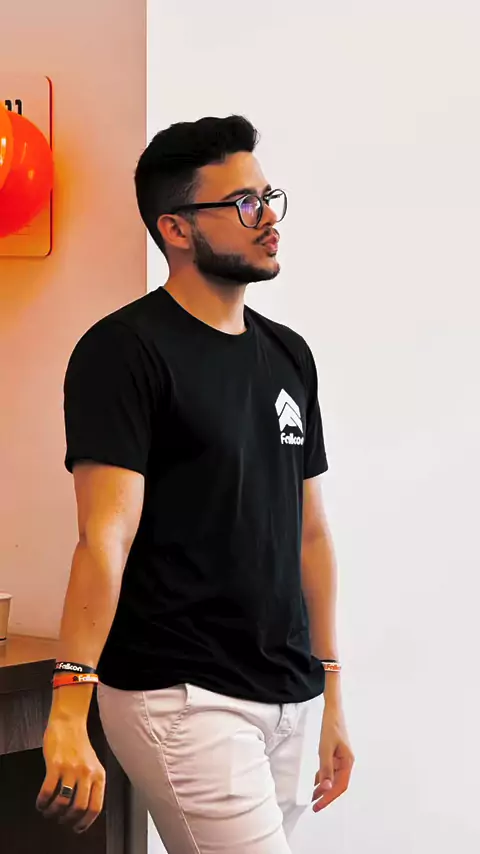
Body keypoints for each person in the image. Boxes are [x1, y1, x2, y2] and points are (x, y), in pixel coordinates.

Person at [36, 115, 354, 853]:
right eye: (243, 203)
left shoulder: (289, 356)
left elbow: (310, 533)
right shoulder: (124, 352)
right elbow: (104, 538)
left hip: (289, 694)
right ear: (176, 229)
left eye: (267, 196)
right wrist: (68, 709)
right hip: (183, 694)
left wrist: (332, 690)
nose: (268, 217)